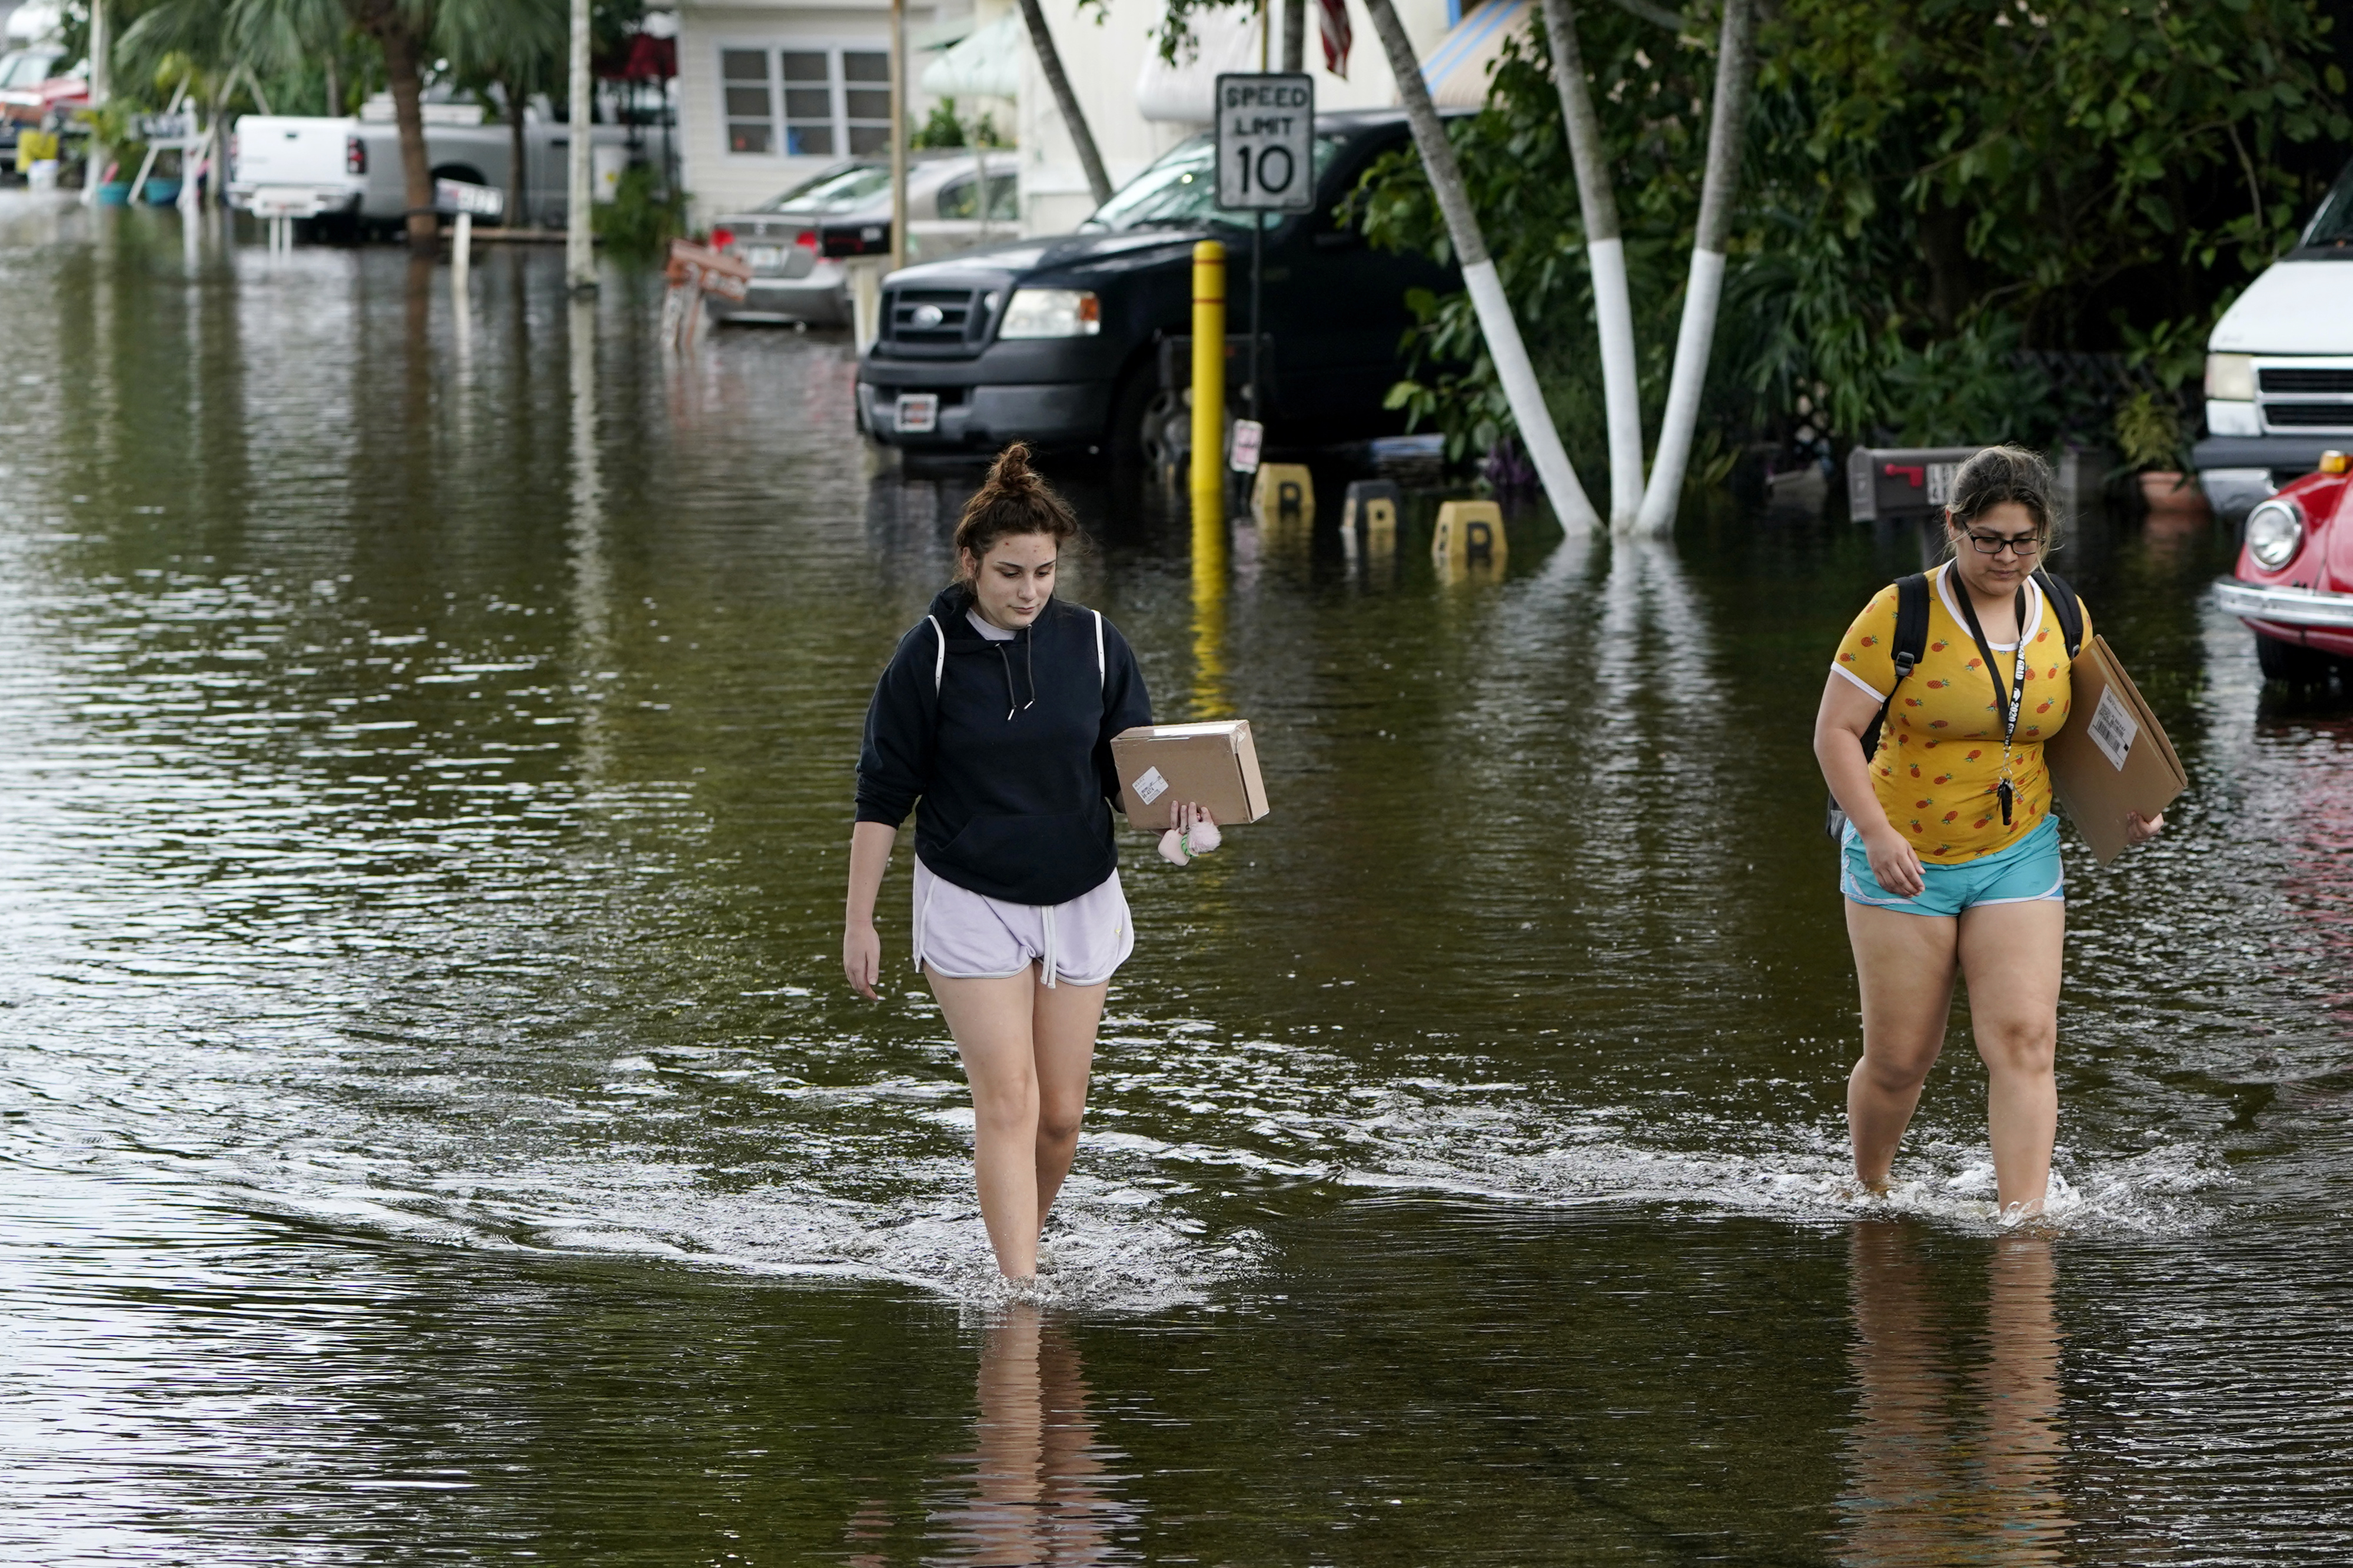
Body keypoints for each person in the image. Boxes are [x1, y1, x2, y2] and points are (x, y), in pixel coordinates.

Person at [1812, 445, 2163, 1220]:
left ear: (2044, 536)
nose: (2007, 557)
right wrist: (1873, 833)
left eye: (2023, 541)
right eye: (1988, 539)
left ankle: (2022, 1222)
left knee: (2025, 1040)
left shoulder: (2062, 613)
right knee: (1903, 1060)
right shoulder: (1897, 612)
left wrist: (2130, 803)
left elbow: (2089, 730)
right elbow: (1834, 732)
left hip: (2016, 852)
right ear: (1953, 526)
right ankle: (1867, 1189)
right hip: (1903, 854)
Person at [842, 442, 1161, 1289]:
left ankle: (1017, 1238)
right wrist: (859, 920)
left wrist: (1182, 807)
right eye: (1012, 572)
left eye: (1045, 572)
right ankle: (1019, 1295)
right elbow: (882, 794)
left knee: (1059, 1118)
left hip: (1079, 891)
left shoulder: (1095, 642)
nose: (1029, 591)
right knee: (1010, 1101)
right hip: (968, 893)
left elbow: (1133, 781)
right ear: (970, 561)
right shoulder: (929, 654)